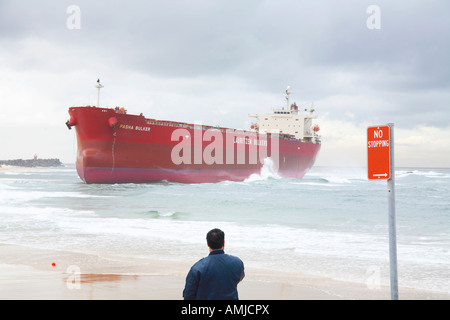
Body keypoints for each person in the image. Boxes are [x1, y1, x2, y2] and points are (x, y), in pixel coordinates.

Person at [183, 228, 245, 300]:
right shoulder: (237, 262)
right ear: (224, 243)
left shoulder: (198, 267)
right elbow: (239, 278)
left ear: (207, 244)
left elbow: (188, 295)